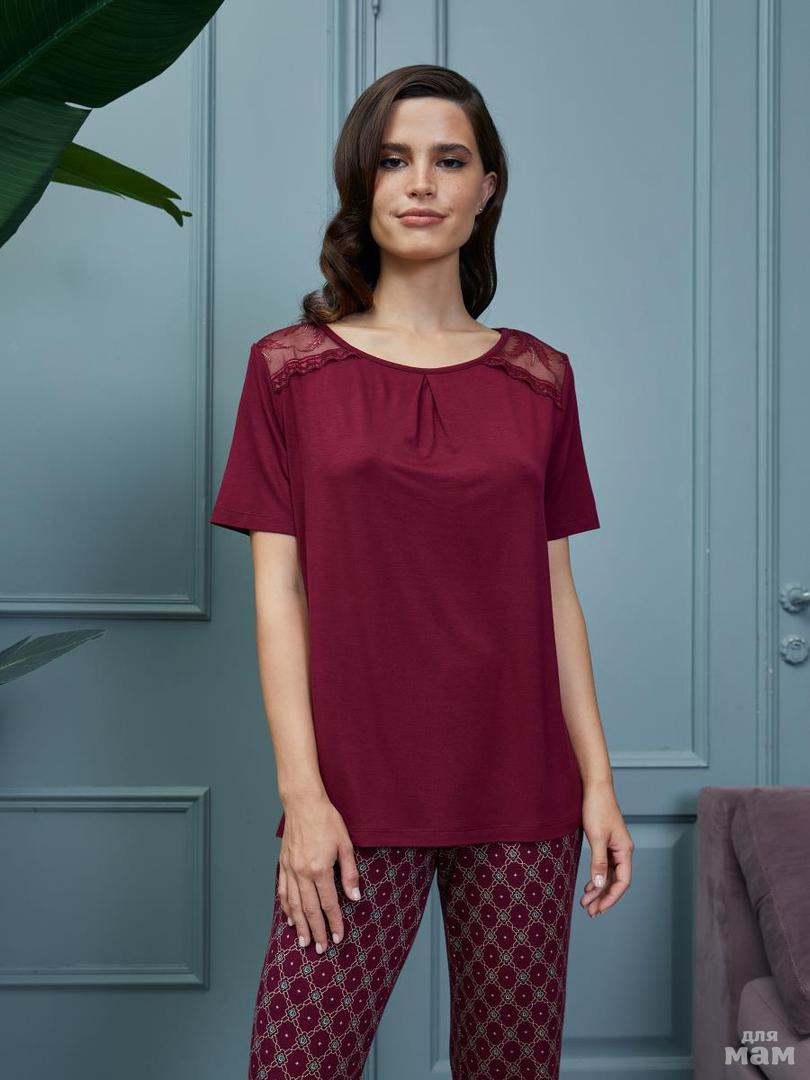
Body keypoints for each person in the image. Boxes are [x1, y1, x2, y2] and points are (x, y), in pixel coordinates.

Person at [210, 63, 634, 1080]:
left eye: (449, 160)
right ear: (362, 183)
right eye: (395, 160)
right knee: (296, 1063)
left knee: (510, 1068)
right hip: (356, 792)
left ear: (488, 187)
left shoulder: (540, 377)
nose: (421, 184)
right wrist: (304, 797)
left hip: (522, 789)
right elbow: (278, 597)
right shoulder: (290, 370)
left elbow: (555, 594)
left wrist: (600, 783)